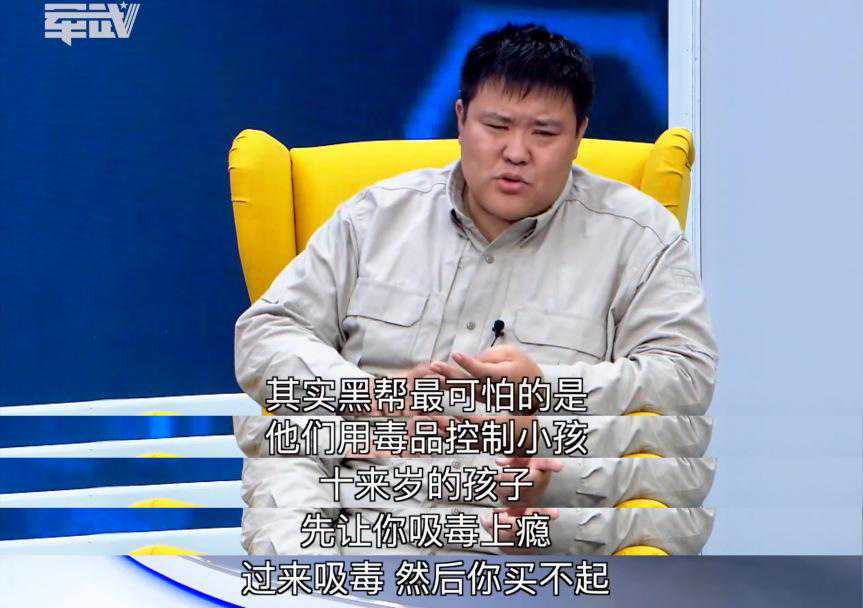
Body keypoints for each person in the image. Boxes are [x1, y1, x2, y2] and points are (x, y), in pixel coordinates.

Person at [233, 23, 718, 555]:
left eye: (544, 133)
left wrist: (548, 390)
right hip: (358, 530)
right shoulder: (375, 217)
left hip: (520, 535)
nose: (516, 152)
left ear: (580, 134)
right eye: (497, 125)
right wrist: (371, 398)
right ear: (461, 119)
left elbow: (685, 374)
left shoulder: (638, 236)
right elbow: (266, 332)